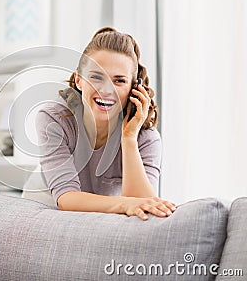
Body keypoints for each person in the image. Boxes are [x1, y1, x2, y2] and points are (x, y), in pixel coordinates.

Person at [35, 27, 176, 221]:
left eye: (119, 81)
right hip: (47, 210)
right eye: (96, 77)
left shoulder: (147, 139)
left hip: (103, 218)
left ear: (134, 89)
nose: (106, 90)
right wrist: (126, 203)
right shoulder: (54, 119)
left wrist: (128, 139)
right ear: (78, 80)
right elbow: (66, 199)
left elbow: (145, 209)